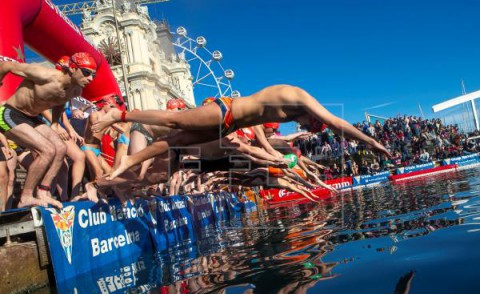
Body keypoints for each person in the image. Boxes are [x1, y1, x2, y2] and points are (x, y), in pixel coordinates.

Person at [92, 85, 391, 180]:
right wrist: (372, 142)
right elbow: (340, 124)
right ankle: (120, 114)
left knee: (177, 143)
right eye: (305, 126)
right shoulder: (300, 98)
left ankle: (129, 162)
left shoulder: (288, 110)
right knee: (175, 122)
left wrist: (278, 151)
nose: (300, 127)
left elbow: (264, 133)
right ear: (311, 119)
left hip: (229, 124)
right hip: (226, 110)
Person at [0, 52, 97, 208]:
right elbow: (6, 65)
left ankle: (43, 192)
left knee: (60, 148)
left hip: (33, 118)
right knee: (47, 150)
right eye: (86, 73)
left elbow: (60, 101)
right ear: (73, 68)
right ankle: (25, 197)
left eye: (93, 75)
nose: (90, 79)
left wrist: (54, 123)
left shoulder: (75, 90)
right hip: (10, 113)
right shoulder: (44, 75)